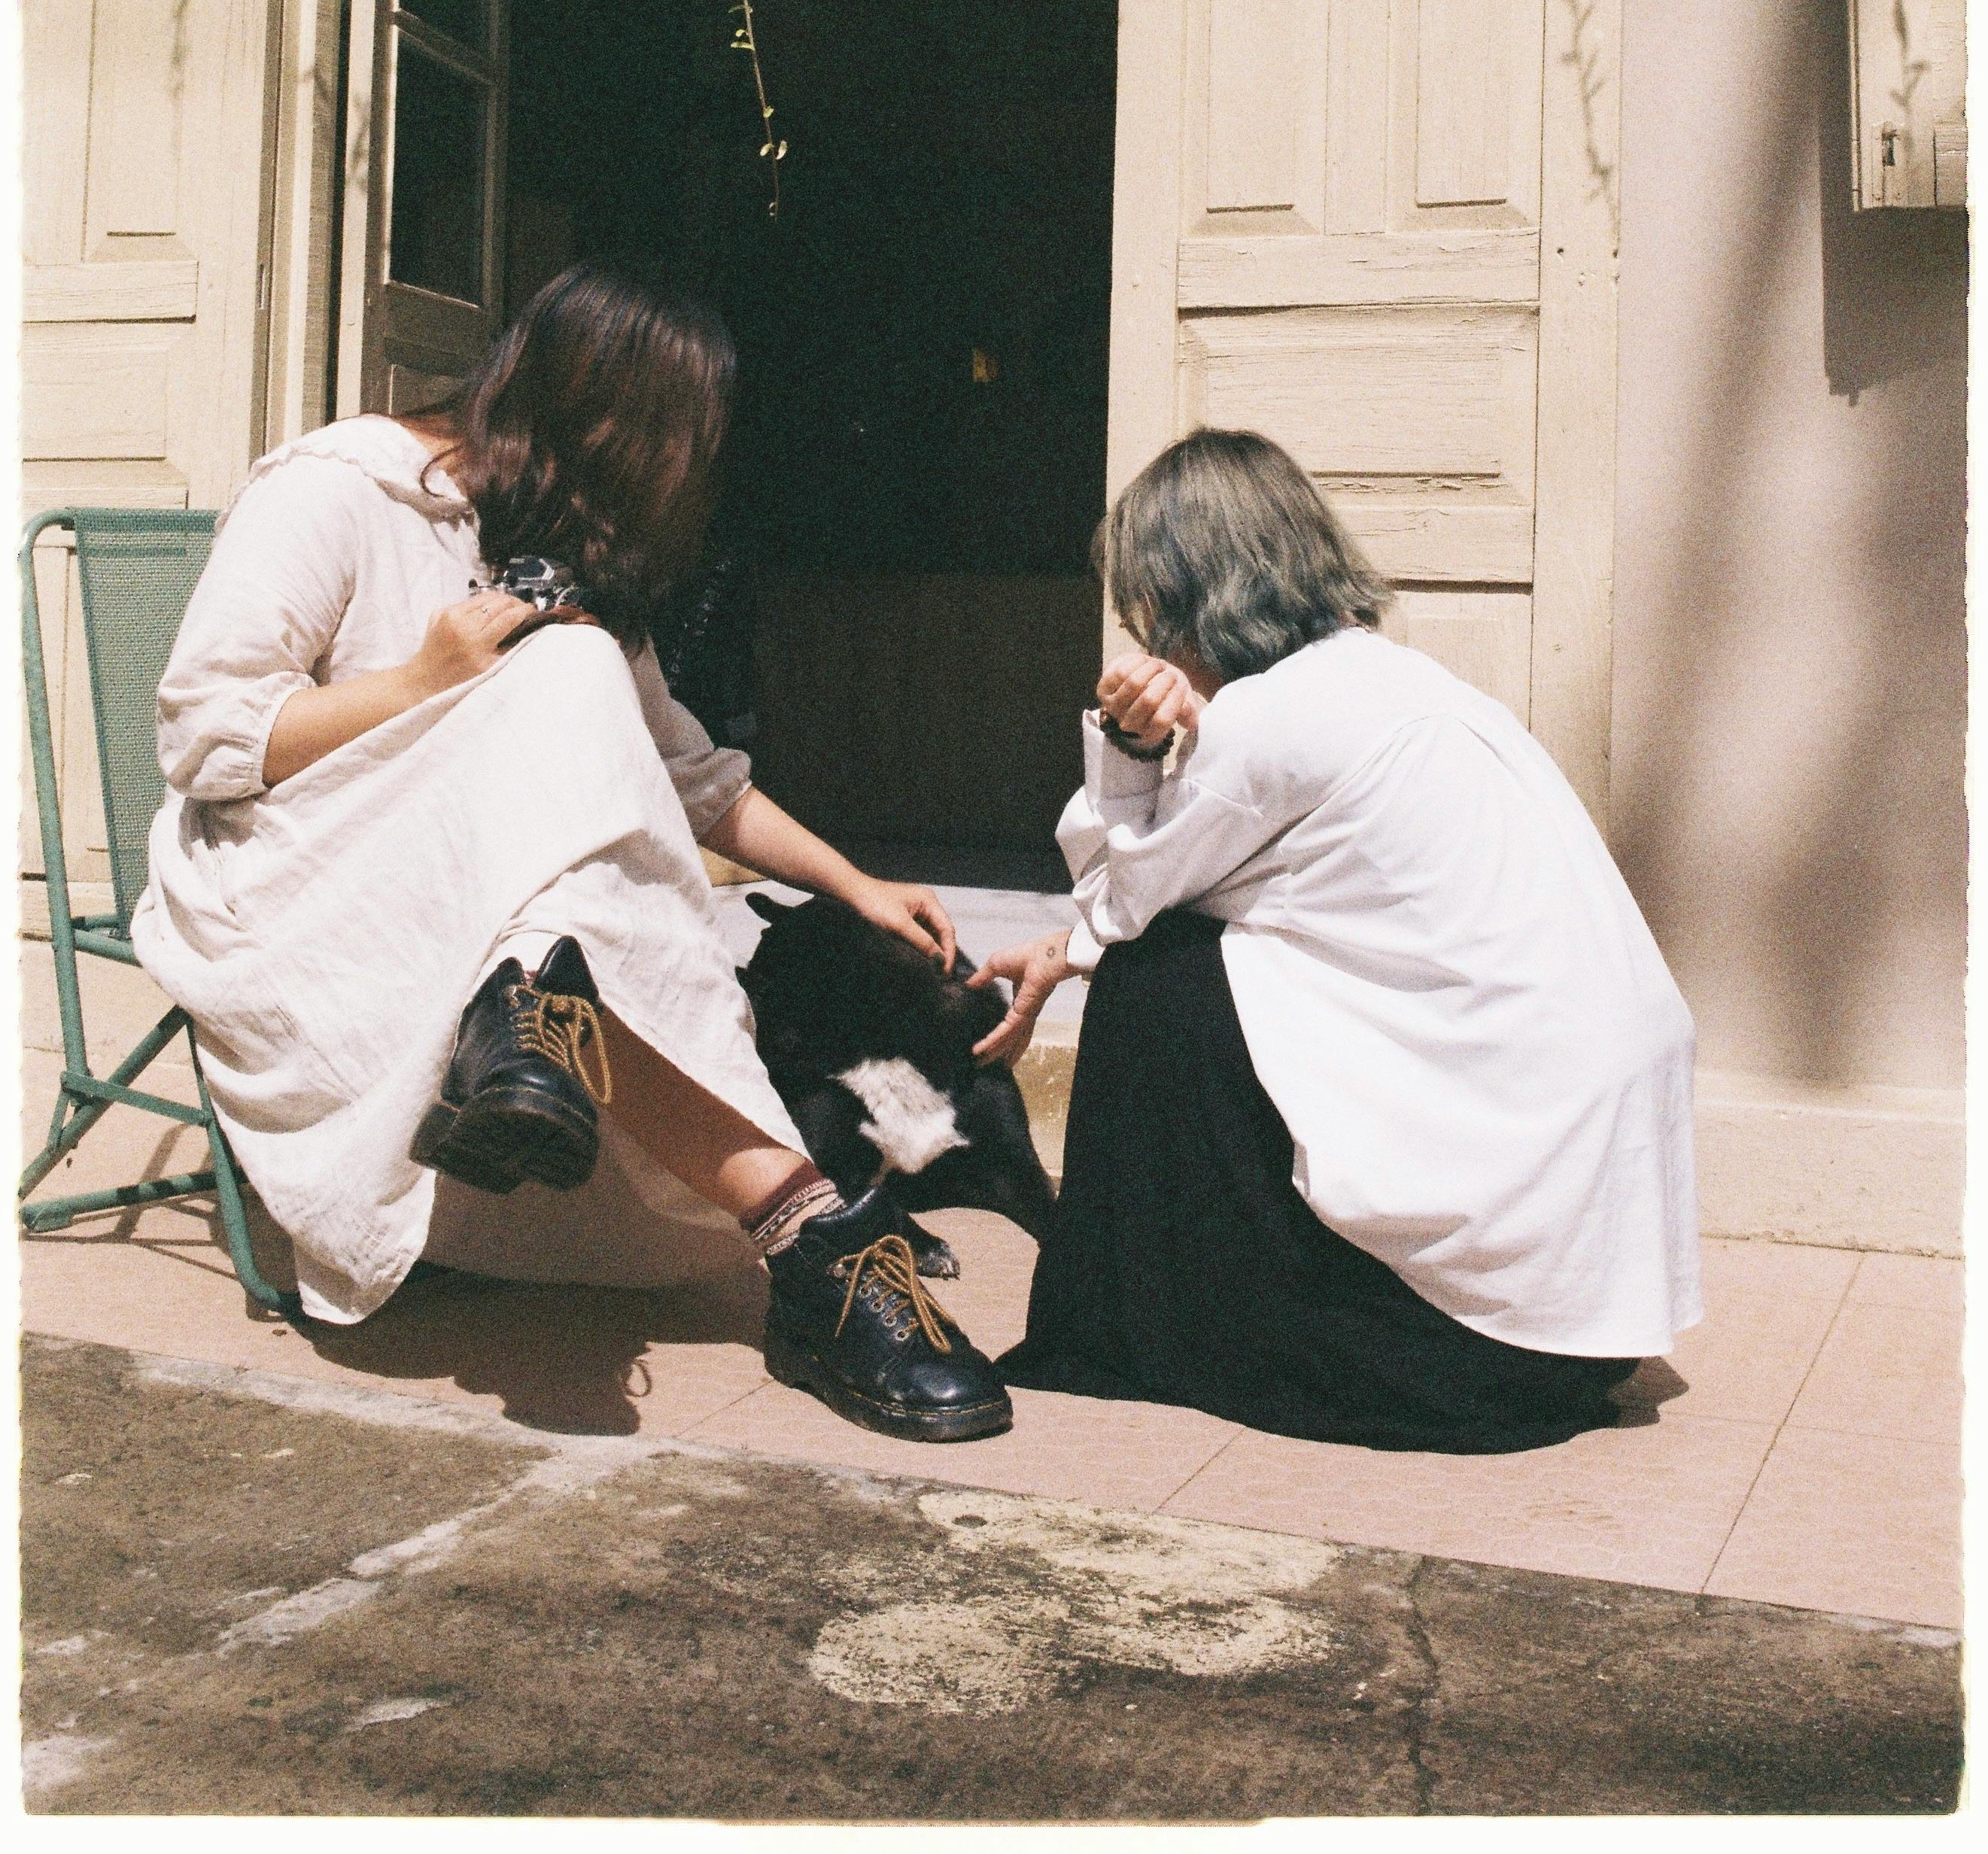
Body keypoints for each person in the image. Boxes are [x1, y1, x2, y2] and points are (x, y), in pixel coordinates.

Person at [132, 263, 1011, 1445]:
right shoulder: (339, 486)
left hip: (488, 912)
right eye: (674, 445)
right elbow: (204, 739)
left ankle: (534, 1015)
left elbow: (691, 777)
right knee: (570, 673)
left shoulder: (552, 541)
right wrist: (421, 681)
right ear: (599, 417)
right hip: (301, 888)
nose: (681, 479)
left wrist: (851, 882)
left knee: (574, 755)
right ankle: (811, 1234)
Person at [970, 428, 1701, 1454]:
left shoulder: (1269, 720)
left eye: (1143, 614)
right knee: (1195, 957)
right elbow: (1222, 891)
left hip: (1489, 1323)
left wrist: (1130, 747)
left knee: (1155, 979)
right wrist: (1068, 946)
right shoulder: (1409, 685)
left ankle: (1122, 1321)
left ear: (1182, 601)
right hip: (1587, 1290)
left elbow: (1120, 897)